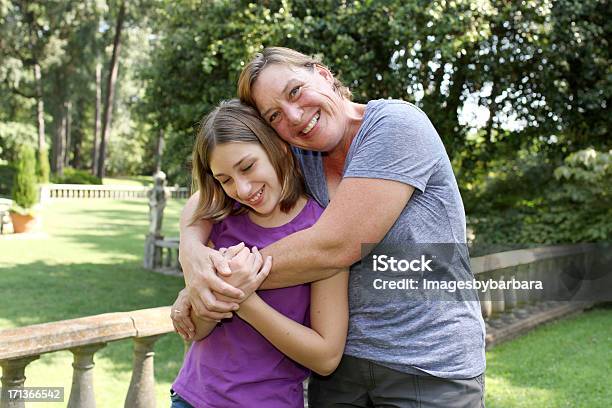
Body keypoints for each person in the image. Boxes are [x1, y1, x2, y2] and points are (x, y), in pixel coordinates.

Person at [175, 47, 486, 407]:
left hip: (429, 365)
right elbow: (207, 197)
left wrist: (217, 280)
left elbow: (336, 246)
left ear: (322, 73)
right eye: (274, 115)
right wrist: (192, 252)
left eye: (294, 92)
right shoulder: (298, 153)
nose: (294, 116)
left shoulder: (396, 125)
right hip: (343, 375)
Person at [170, 99, 348, 408]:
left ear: (278, 149)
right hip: (192, 398)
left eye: (248, 167)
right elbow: (195, 331)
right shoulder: (221, 221)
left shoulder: (322, 230)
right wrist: (200, 285)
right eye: (225, 180)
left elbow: (326, 356)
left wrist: (244, 299)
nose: (241, 188)